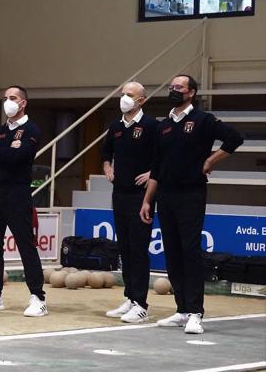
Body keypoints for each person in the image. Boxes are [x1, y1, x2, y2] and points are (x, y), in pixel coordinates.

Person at [139, 74, 243, 334]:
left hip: (191, 195)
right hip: (166, 195)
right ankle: (182, 309)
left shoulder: (203, 120)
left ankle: (196, 311)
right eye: (171, 86)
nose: (174, 90)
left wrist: (210, 161)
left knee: (189, 251)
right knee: (172, 252)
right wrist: (147, 200)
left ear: (192, 93)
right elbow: (157, 167)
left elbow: (234, 139)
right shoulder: (164, 125)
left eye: (179, 87)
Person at [0, 85, 47, 317]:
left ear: (23, 103)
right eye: (5, 98)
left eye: (12, 98)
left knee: (25, 244)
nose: (8, 102)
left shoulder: (31, 129)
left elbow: (21, 156)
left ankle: (38, 297)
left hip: (17, 193)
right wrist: (5, 150)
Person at [102, 82, 158, 323]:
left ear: (141, 100)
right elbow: (106, 153)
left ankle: (141, 303)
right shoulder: (115, 127)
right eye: (122, 94)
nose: (124, 98)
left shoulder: (151, 125)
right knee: (125, 248)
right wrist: (108, 168)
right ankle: (130, 297)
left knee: (138, 249)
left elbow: (163, 156)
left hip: (140, 196)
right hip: (120, 194)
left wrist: (152, 173)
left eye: (130, 95)